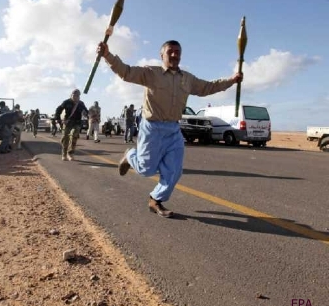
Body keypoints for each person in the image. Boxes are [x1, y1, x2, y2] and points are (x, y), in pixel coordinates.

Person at [97, 40, 242, 218]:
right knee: (146, 170)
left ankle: (155, 200)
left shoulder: (187, 78)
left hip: (174, 129)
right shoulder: (151, 73)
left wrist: (232, 80)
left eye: (177, 51)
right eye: (170, 51)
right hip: (152, 128)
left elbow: (208, 87)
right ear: (162, 55)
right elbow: (126, 72)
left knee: (174, 170)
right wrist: (107, 55)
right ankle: (130, 155)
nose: (174, 55)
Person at [54, 89, 88, 161]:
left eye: (77, 95)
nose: (76, 97)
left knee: (74, 137)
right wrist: (57, 118)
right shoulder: (66, 102)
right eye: (74, 95)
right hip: (68, 122)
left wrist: (87, 114)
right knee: (66, 137)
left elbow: (86, 111)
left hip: (77, 122)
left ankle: (71, 153)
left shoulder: (81, 103)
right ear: (71, 95)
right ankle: (64, 154)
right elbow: (58, 110)